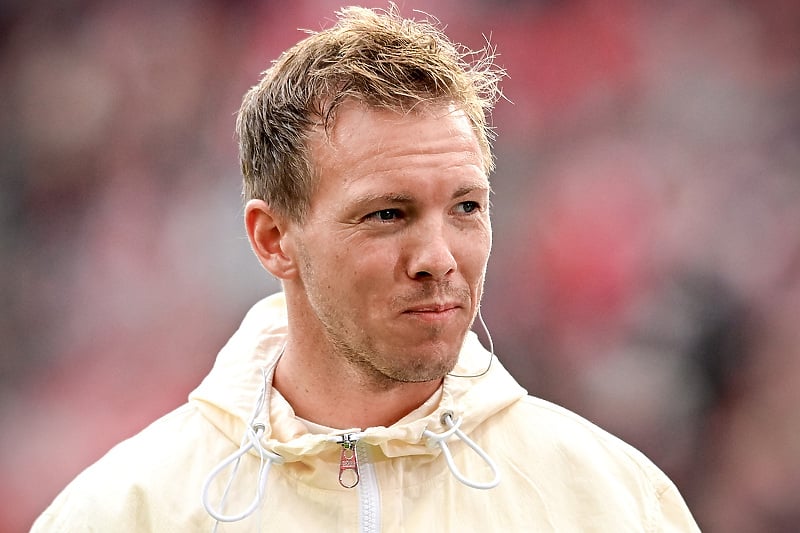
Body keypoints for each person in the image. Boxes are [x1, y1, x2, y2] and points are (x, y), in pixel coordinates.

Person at [32, 6, 700, 532]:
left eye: (466, 207)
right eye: (388, 214)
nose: (439, 257)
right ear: (273, 239)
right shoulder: (124, 513)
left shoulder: (613, 502)